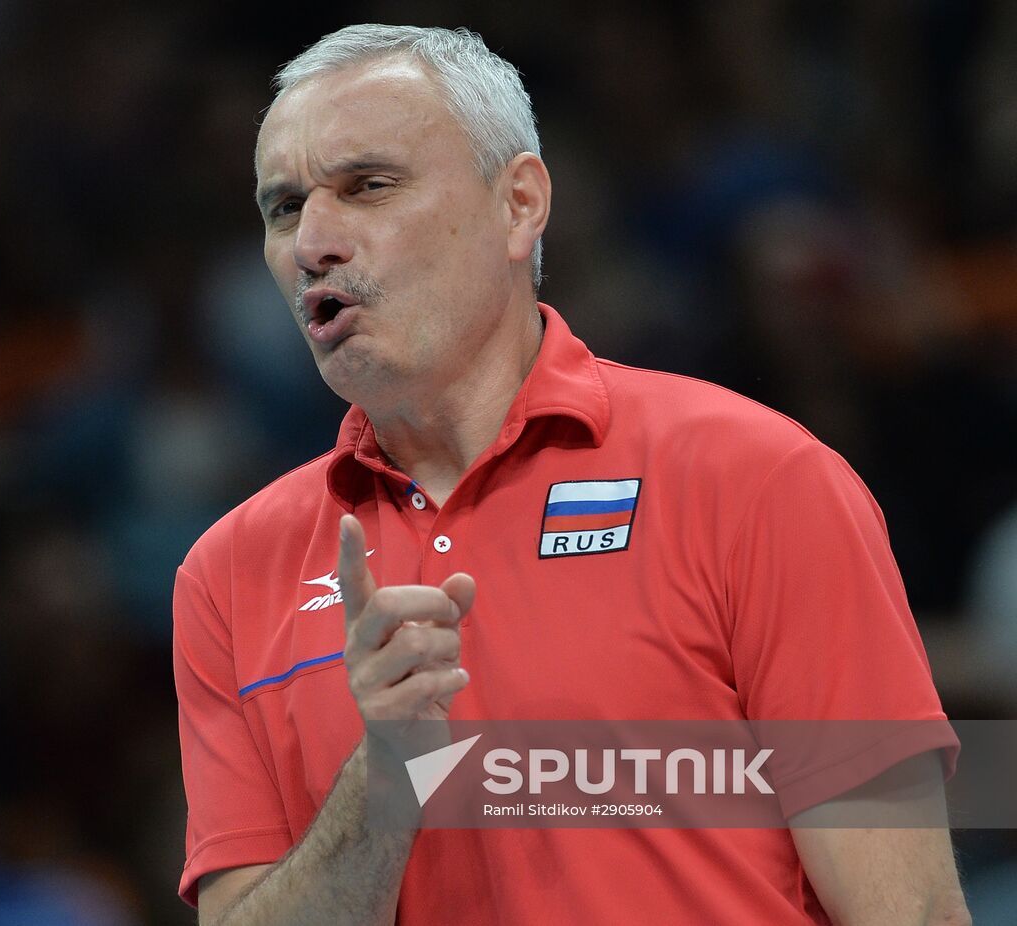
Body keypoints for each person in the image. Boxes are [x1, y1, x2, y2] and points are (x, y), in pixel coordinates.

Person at [172, 24, 970, 925]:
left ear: (518, 204)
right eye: (285, 208)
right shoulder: (230, 575)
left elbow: (912, 913)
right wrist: (385, 780)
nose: (313, 241)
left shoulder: (754, 480)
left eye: (369, 186)